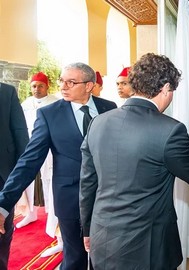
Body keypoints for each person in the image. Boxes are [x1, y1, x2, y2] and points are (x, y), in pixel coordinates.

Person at [79, 53, 189, 269]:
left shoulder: (98, 123)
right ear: (166, 88)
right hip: (148, 246)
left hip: (103, 238)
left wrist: (88, 230)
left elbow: (87, 183)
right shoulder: (170, 130)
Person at [0, 62, 117, 270]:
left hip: (107, 197)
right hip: (70, 197)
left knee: (108, 255)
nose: (63, 86)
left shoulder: (109, 109)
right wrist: (3, 203)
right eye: (62, 81)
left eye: (71, 82)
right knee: (74, 258)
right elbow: (29, 161)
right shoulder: (49, 114)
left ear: (89, 85)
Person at [16, 71, 63, 257]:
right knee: (29, 184)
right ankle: (31, 212)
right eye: (34, 86)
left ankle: (60, 235)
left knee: (52, 189)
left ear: (47, 87)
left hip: (51, 154)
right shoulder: (25, 104)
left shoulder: (56, 103)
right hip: (31, 149)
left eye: (40, 86)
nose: (36, 89)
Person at [0, 82, 29, 269]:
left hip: (2, 176)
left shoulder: (5, 92)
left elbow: (20, 134)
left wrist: (19, 178)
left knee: (1, 233)